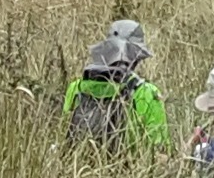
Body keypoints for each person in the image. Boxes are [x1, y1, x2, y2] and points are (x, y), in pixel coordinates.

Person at [65, 17, 166, 152]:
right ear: (137, 57)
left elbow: (64, 135)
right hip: (129, 170)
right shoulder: (146, 92)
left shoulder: (76, 88)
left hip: (76, 169)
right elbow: (160, 150)